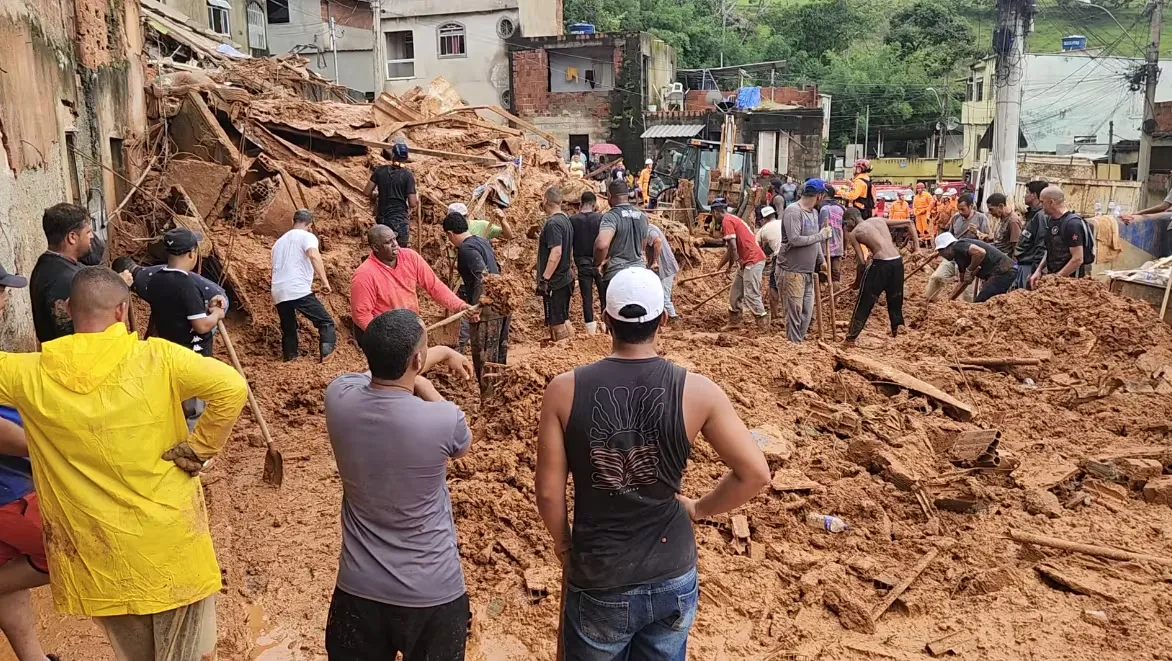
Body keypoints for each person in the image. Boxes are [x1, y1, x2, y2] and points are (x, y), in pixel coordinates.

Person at [0, 266, 247, 661]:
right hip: (171, 544)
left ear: (67, 310)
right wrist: (200, 448)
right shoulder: (158, 357)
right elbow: (231, 387)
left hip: (101, 552)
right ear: (122, 311)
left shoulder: (31, 372)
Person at [535, 267, 770, 660]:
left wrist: (563, 546)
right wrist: (699, 509)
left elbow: (547, 491)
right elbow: (755, 473)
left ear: (606, 320)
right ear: (663, 319)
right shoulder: (698, 392)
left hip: (600, 574)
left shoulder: (563, 391)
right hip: (672, 573)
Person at [324, 309, 474, 661]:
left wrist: (436, 358)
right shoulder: (443, 418)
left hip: (358, 590)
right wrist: (427, 385)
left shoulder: (338, 397)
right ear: (418, 360)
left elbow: (380, 369)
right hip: (433, 592)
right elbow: (463, 445)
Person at [0, 264, 57, 661]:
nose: (5, 299)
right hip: (9, 491)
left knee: (9, 576)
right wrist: (54, 451)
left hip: (12, 481)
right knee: (75, 550)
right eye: (2, 290)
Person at [138, 228, 229, 432]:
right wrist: (216, 315)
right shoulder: (186, 284)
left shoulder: (156, 280)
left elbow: (177, 310)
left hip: (169, 352)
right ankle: (191, 454)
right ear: (191, 253)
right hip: (192, 355)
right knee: (194, 409)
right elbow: (201, 325)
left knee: (174, 406)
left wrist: (205, 307)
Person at [350, 225, 472, 343]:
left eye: (395, 239)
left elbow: (434, 286)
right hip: (387, 334)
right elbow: (361, 314)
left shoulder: (410, 257)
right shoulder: (364, 275)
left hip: (411, 327)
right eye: (388, 242)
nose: (395, 245)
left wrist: (459, 305)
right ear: (375, 248)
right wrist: (384, 339)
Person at [444, 211, 507, 380]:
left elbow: (482, 276)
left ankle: (488, 400)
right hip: (500, 304)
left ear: (450, 233)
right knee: (497, 358)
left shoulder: (466, 249)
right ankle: (497, 398)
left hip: (487, 309)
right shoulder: (482, 241)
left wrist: (476, 309)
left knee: (486, 359)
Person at [271, 209, 336, 362]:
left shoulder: (278, 242)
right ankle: (327, 357)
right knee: (325, 322)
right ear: (310, 225)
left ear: (293, 222)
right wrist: (324, 281)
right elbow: (313, 255)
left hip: (278, 290)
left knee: (289, 328)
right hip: (297, 288)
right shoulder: (308, 236)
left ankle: (290, 357)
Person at [30, 203, 98, 343]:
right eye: (88, 232)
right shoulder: (65, 280)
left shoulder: (48, 263)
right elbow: (72, 337)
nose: (91, 236)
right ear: (72, 237)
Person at [776, 180, 833, 342]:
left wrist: (821, 260)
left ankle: (797, 342)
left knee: (806, 313)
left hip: (808, 271)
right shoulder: (793, 212)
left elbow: (814, 242)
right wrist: (821, 235)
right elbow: (794, 239)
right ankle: (794, 346)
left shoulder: (814, 213)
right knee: (795, 311)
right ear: (819, 195)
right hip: (791, 271)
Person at [842, 208, 909, 342]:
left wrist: (857, 282)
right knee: (895, 300)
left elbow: (861, 262)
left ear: (852, 219)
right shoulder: (878, 220)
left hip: (880, 265)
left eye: (846, 223)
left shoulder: (855, 232)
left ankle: (851, 337)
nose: (846, 226)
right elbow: (909, 223)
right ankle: (899, 335)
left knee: (864, 301)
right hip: (897, 262)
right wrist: (918, 249)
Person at [714, 197, 769, 329]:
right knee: (736, 293)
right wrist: (719, 267)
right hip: (746, 262)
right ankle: (734, 322)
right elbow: (729, 250)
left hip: (752, 260)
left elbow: (733, 248)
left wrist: (731, 265)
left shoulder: (727, 221)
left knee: (751, 294)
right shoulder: (732, 219)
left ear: (715, 212)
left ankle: (763, 325)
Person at [925, 193, 991, 302]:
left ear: (971, 206)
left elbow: (989, 239)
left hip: (971, 259)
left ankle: (966, 310)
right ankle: (929, 301)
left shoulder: (981, 218)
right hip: (954, 256)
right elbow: (949, 237)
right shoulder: (956, 218)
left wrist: (977, 232)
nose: (960, 212)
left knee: (967, 290)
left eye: (963, 209)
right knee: (936, 277)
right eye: (959, 209)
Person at [1029, 186, 1094, 288]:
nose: (1040, 205)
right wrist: (1039, 270)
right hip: (1055, 278)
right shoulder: (1051, 221)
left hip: (1070, 283)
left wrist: (1056, 280)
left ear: (1051, 202)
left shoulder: (1072, 224)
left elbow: (1078, 259)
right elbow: (1050, 249)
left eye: (1042, 202)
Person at [932, 232, 1018, 303]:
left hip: (1004, 271)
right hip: (1001, 272)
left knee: (981, 302)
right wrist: (949, 300)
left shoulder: (957, 246)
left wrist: (969, 270)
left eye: (940, 251)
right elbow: (962, 281)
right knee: (986, 302)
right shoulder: (959, 257)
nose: (941, 255)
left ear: (946, 248)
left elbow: (980, 252)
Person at [538, 186, 575, 341]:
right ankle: (570, 350)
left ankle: (563, 354)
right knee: (563, 318)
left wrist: (545, 279)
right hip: (564, 277)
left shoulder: (553, 223)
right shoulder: (565, 220)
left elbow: (557, 252)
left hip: (556, 281)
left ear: (546, 200)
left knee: (557, 322)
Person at [594, 180, 649, 284]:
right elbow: (643, 247)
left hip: (617, 273)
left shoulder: (611, 216)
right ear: (627, 195)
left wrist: (598, 263)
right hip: (640, 273)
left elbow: (602, 245)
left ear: (609, 196)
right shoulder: (642, 216)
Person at [364, 142, 418, 247]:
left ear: (392, 155)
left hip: (383, 221)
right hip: (400, 222)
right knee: (401, 254)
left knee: (383, 253)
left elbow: (366, 192)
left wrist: (377, 195)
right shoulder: (408, 176)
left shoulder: (379, 171)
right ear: (406, 158)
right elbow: (412, 203)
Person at [570, 192, 607, 335]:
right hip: (599, 263)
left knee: (587, 298)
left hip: (582, 263)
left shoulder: (572, 220)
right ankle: (606, 328)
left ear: (581, 203)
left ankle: (590, 332)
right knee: (604, 296)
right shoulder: (601, 219)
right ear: (594, 203)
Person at [645, 222, 681, 326]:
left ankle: (674, 318)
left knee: (663, 296)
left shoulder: (648, 230)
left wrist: (655, 261)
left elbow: (658, 241)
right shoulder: (648, 227)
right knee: (658, 293)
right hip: (662, 267)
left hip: (665, 267)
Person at [1015, 180, 1050, 279]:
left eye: (1027, 192)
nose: (1024, 196)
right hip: (1024, 263)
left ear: (1034, 195)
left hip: (1030, 266)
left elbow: (1041, 244)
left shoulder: (1041, 216)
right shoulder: (1032, 214)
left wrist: (1036, 270)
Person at [756, 205, 782, 318]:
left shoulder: (762, 231)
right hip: (795, 256)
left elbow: (757, 249)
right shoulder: (782, 223)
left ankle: (775, 316)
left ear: (762, 219)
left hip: (780, 257)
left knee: (774, 285)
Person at [819, 188, 845, 283]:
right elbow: (845, 229)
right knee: (835, 272)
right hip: (838, 244)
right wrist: (845, 247)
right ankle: (835, 294)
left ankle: (821, 293)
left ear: (824, 194)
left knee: (822, 270)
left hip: (823, 246)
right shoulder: (841, 208)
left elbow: (818, 228)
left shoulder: (820, 207)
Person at [987, 193, 1022, 259]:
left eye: (991, 209)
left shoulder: (1013, 221)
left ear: (1001, 206)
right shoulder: (1003, 218)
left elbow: (1016, 246)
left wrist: (1013, 266)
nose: (990, 213)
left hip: (1005, 261)